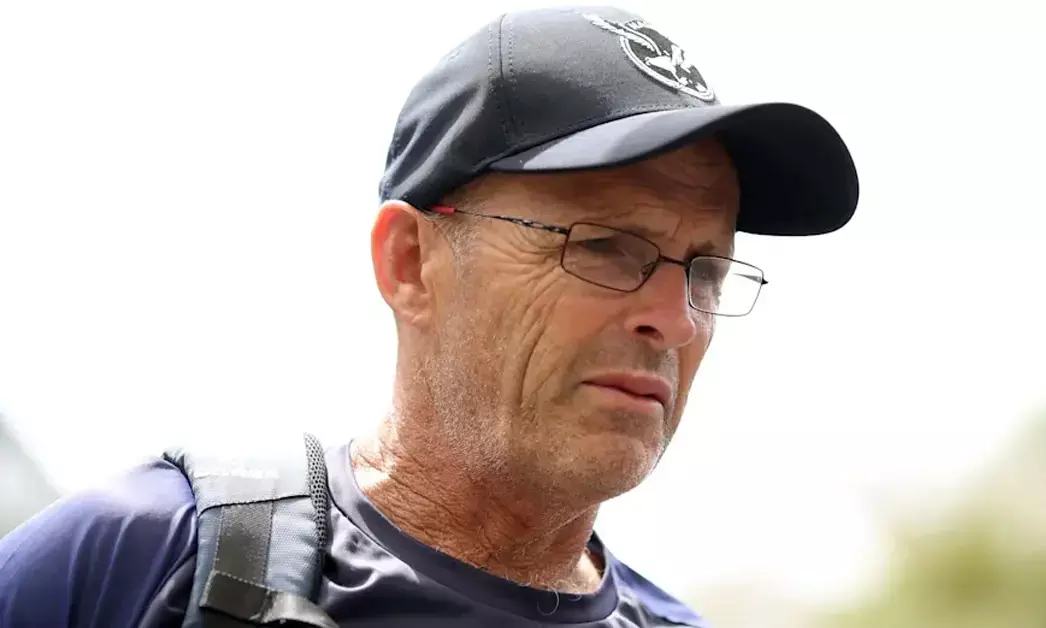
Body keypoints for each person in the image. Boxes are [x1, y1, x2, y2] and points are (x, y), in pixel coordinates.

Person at [0, 5, 858, 628]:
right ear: (409, 263)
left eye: (706, 270)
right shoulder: (143, 560)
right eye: (605, 246)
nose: (675, 320)